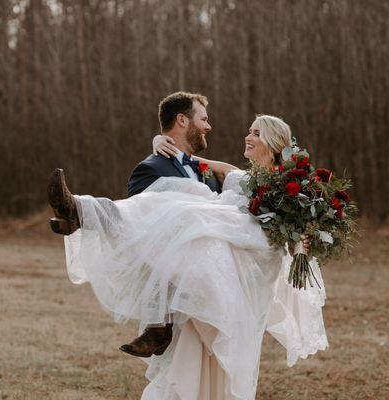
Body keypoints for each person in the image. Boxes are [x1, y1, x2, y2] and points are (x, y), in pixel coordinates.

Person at [48, 103, 327, 400]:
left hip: (245, 252)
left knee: (184, 212)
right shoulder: (240, 175)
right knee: (171, 197)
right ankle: (81, 210)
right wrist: (160, 144)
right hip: (220, 245)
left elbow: (298, 233)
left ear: (272, 144)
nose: (247, 136)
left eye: (256, 133)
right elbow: (198, 163)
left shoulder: (288, 188)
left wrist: (301, 244)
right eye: (249, 131)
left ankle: (86, 217)